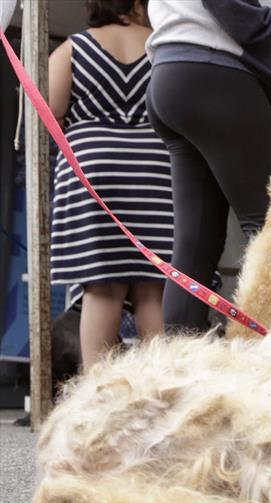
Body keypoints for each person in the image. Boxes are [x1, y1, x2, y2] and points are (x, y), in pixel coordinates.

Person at [145, 0, 271, 333]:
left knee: (195, 243)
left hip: (170, 72)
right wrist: (265, 24)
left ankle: (177, 367)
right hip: (214, 68)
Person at [49, 0, 172, 371]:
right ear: (137, 3)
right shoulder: (163, 44)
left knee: (102, 287)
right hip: (158, 170)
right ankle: (165, 392)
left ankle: (97, 395)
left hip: (93, 168)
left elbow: (50, 110)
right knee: (155, 288)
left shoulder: (73, 48)